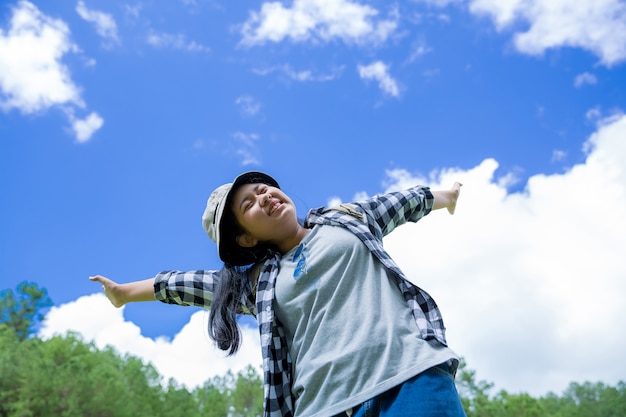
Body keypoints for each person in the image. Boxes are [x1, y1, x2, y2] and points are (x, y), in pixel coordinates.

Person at [90, 171, 466, 417]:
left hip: (410, 377)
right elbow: (187, 285)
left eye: (262, 189)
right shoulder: (258, 284)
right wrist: (124, 293)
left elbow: (402, 202)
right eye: (248, 204)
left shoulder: (346, 218)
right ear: (246, 238)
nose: (263, 196)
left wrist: (445, 196)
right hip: (325, 407)